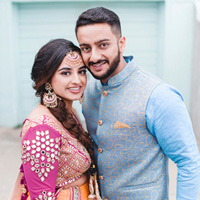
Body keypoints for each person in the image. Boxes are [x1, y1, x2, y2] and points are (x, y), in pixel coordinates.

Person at [75, 7, 200, 200]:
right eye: (86, 48)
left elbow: (188, 162)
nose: (94, 57)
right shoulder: (89, 92)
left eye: (103, 45)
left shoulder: (158, 95)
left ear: (121, 43)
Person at [9, 39, 102, 200]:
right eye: (65, 73)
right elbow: (41, 196)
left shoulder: (68, 112)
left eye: (81, 71)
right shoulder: (41, 127)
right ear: (47, 79)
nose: (77, 80)